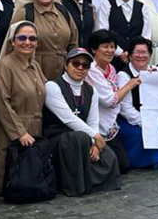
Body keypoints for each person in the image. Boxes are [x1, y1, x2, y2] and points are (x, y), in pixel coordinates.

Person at [42, 48, 121, 196]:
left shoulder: (91, 90)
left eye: (85, 65)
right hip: (58, 137)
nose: (80, 68)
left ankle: (93, 184)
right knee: (79, 138)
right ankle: (74, 186)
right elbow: (67, 117)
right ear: (66, 65)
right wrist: (95, 137)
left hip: (85, 137)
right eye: (75, 63)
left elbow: (93, 121)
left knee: (109, 155)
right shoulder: (53, 86)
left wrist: (95, 144)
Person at [0, 21, 47, 199]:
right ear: (12, 41)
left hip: (33, 128)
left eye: (32, 38)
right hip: (7, 130)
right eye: (22, 38)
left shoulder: (36, 66)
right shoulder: (4, 67)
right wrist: (20, 133)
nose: (28, 42)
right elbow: (1, 102)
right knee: (2, 179)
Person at [9, 0, 79, 81]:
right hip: (33, 74)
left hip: (63, 74)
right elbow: (13, 46)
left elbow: (73, 43)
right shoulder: (24, 13)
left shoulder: (63, 11)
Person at [114, 37, 158, 169]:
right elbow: (125, 108)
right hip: (128, 119)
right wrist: (144, 122)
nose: (141, 56)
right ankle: (138, 162)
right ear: (130, 55)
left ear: (150, 55)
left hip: (152, 116)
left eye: (145, 52)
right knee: (138, 134)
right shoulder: (123, 75)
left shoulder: (156, 71)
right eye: (137, 52)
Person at [85, 30, 130, 174]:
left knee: (123, 166)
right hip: (95, 125)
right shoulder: (91, 70)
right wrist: (130, 85)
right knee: (113, 166)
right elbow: (110, 101)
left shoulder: (111, 68)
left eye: (112, 47)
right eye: (105, 46)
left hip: (110, 126)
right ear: (94, 49)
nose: (110, 51)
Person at [96, 0, 149, 68]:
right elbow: (102, 31)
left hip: (136, 59)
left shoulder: (142, 7)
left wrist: (131, 53)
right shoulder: (107, 5)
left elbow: (146, 35)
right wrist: (120, 53)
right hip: (111, 60)